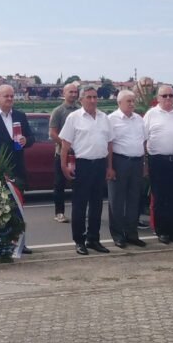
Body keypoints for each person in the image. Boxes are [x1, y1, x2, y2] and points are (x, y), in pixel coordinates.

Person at [0, 85, 35, 254]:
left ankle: (20, 243)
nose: (10, 99)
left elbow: (31, 138)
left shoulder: (20, 116)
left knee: (17, 209)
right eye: (6, 96)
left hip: (18, 169)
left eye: (12, 96)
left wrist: (26, 140)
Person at [59, 86, 113, 255]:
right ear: (81, 99)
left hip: (99, 164)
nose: (92, 100)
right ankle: (79, 241)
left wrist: (109, 166)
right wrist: (63, 166)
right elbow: (65, 145)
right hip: (82, 165)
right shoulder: (74, 118)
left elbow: (110, 144)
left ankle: (93, 239)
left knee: (97, 204)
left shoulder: (104, 118)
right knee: (80, 205)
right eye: (89, 97)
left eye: (95, 97)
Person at [144, 85, 173, 245]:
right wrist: (145, 163)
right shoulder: (151, 114)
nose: (168, 98)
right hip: (158, 161)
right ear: (158, 98)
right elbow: (143, 139)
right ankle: (162, 231)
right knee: (160, 198)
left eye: (171, 95)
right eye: (164, 96)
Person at [106, 90, 146, 249]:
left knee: (134, 200)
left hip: (137, 162)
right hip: (119, 161)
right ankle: (118, 235)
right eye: (128, 101)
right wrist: (109, 167)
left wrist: (145, 164)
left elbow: (144, 142)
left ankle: (132, 234)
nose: (132, 104)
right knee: (116, 200)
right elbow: (108, 145)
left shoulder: (139, 119)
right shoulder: (111, 119)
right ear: (119, 103)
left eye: (133, 100)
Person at [49, 82, 79, 223]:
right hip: (62, 154)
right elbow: (53, 133)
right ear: (64, 93)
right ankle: (59, 212)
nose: (73, 94)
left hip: (78, 154)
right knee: (59, 184)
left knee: (78, 185)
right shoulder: (58, 111)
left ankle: (78, 211)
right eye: (70, 92)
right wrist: (67, 145)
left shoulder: (80, 110)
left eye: (75, 92)